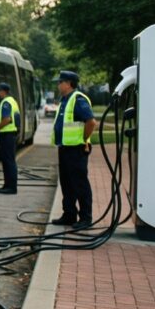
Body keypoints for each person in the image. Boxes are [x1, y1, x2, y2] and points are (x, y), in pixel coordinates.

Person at [50, 71, 97, 229]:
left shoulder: (78, 99)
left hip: (76, 148)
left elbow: (91, 122)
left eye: (60, 82)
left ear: (68, 83)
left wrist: (84, 139)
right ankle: (69, 214)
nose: (58, 85)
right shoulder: (65, 100)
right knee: (66, 183)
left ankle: (85, 218)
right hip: (65, 148)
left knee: (79, 183)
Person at [0, 82, 20, 194]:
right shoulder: (12, 101)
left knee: (8, 161)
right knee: (9, 161)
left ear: (3, 91)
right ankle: (8, 185)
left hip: (7, 134)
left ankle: (11, 187)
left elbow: (7, 119)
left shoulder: (6, 102)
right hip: (10, 134)